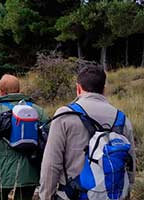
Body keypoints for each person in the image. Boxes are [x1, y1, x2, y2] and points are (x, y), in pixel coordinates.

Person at [39, 65, 136, 200]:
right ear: (104, 89)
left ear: (78, 88)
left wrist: (46, 196)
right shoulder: (121, 118)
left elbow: (51, 163)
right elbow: (130, 163)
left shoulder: (64, 115)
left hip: (72, 195)